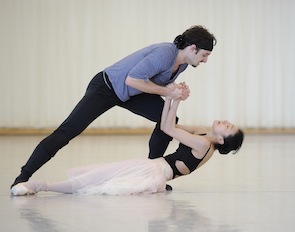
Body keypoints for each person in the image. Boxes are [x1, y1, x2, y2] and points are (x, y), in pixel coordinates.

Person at [11, 25, 217, 189]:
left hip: (131, 94)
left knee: (168, 120)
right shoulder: (165, 53)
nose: (205, 60)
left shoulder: (182, 64)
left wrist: (176, 90)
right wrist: (168, 92)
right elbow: (132, 80)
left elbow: (156, 85)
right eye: (204, 55)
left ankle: (152, 172)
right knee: (68, 131)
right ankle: (23, 176)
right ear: (192, 48)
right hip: (106, 88)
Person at [11, 94, 244, 196]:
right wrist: (173, 100)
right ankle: (38, 186)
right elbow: (166, 125)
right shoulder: (203, 133)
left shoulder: (204, 144)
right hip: (153, 168)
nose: (226, 122)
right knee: (98, 177)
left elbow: (170, 129)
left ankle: (40, 185)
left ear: (221, 139)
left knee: (96, 180)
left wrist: (175, 99)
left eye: (228, 127)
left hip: (153, 172)